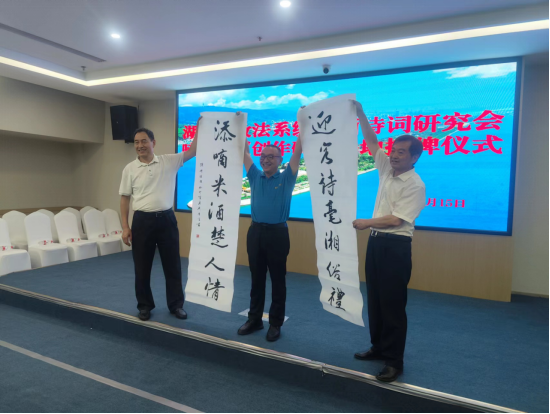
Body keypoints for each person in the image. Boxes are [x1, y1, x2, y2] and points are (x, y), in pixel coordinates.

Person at [351, 100, 426, 383]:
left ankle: (395, 361)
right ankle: (378, 347)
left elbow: (396, 220)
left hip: (395, 248)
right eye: (393, 150)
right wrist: (361, 113)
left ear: (414, 157)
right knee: (375, 299)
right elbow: (371, 142)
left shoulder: (416, 185)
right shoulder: (385, 171)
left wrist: (366, 222)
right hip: (376, 244)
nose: (393, 155)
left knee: (393, 304)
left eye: (401, 152)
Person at [119, 119, 200, 321]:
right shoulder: (129, 168)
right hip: (142, 222)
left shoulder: (168, 161)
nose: (140, 145)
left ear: (153, 143)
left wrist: (200, 127)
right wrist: (125, 227)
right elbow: (125, 198)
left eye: (144, 141)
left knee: (173, 265)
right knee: (142, 267)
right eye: (136, 142)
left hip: (166, 220)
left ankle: (176, 305)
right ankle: (144, 306)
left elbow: (193, 151)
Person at [238, 114, 303, 342]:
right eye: (263, 156)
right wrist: (240, 125)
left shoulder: (287, 178)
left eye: (271, 156)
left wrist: (303, 122)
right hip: (255, 232)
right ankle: (254, 319)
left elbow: (297, 152)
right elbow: (244, 152)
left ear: (279, 159)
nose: (265, 160)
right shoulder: (254, 176)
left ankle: (275, 323)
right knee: (256, 279)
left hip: (277, 234)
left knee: (277, 279)